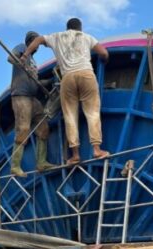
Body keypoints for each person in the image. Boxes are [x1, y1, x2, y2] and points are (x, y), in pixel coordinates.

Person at [23, 18, 110, 164]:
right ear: (80, 28)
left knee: (70, 116)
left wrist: (26, 55)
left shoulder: (57, 36)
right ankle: (96, 150)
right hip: (86, 74)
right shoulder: (87, 37)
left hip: (67, 77)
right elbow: (104, 53)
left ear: (67, 27)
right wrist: (104, 60)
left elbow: (38, 39)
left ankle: (75, 155)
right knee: (92, 113)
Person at [9, 31, 57, 177]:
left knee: (43, 128)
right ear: (32, 41)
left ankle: (41, 162)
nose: (39, 46)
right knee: (23, 128)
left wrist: (48, 82)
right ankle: (15, 166)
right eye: (37, 42)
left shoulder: (33, 62)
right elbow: (10, 58)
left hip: (32, 97)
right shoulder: (22, 47)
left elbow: (35, 81)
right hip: (21, 96)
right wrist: (20, 60)